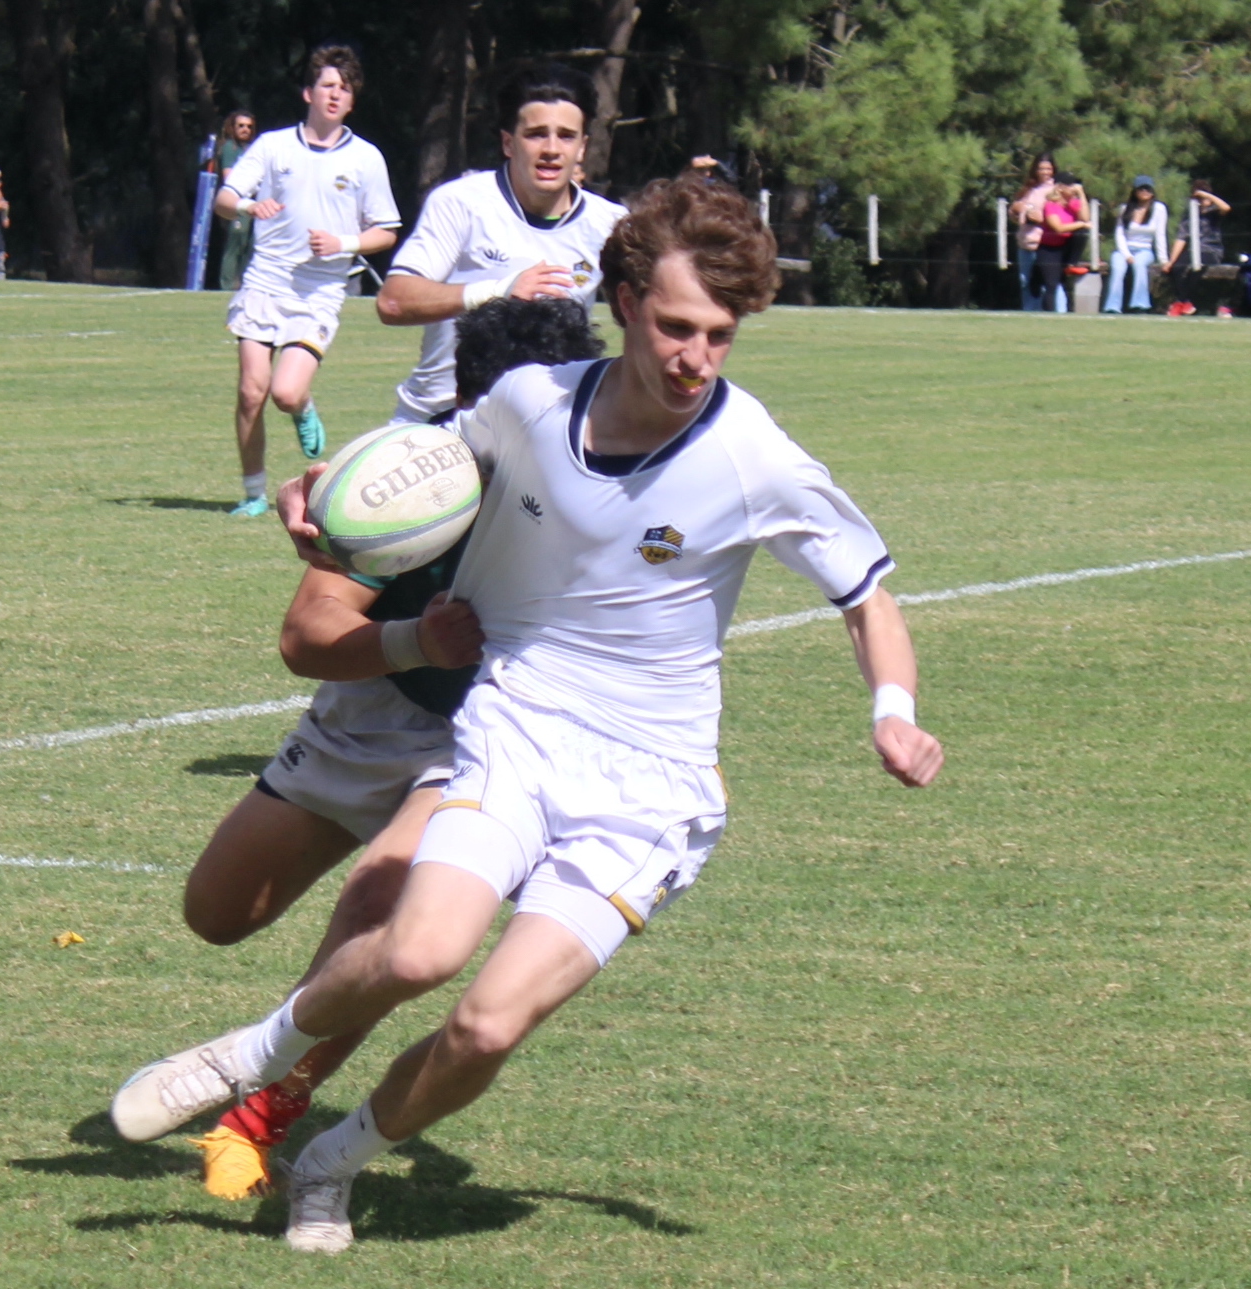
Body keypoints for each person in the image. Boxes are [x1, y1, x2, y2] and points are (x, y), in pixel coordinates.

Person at [109, 175, 944, 1255]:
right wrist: (309, 486)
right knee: (417, 951)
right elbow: (403, 476)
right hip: (517, 727)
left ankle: (330, 1162)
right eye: (678, 326)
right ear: (629, 300)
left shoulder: (756, 457)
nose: (697, 357)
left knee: (486, 1022)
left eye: (721, 336)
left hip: (652, 789)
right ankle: (248, 1058)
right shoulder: (531, 401)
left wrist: (893, 708)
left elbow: (867, 598)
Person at [153, 299, 608, 1202]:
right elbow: (307, 634)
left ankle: (260, 1111)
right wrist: (415, 642)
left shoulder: (611, 474)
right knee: (217, 910)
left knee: (382, 910)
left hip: (494, 731)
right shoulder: (412, 467)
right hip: (376, 705)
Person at [376, 62, 627, 427]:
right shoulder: (462, 203)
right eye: (537, 134)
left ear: (583, 147)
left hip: (547, 430)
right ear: (508, 142)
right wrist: (499, 291)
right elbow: (394, 301)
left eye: (566, 136)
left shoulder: (609, 224)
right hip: (440, 420)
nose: (552, 149)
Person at [214, 46, 401, 515]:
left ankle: (302, 407)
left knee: (285, 392)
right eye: (328, 85)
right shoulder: (274, 146)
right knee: (250, 391)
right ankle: (254, 493)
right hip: (264, 281)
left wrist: (343, 243)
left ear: (352, 102)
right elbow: (225, 196)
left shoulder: (365, 158)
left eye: (345, 88)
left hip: (318, 292)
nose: (336, 94)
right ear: (308, 93)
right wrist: (247, 206)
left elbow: (386, 230)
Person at [1164, 178, 1231, 316]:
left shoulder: (1214, 212)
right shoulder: (1189, 215)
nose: (1202, 200)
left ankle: (1180, 301)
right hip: (1194, 250)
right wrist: (1171, 261)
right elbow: (1181, 239)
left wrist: (1207, 196)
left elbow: (1226, 208)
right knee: (1177, 268)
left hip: (1212, 251)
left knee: (1197, 268)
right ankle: (1185, 303)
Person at [1104, 176, 1168, 314]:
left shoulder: (1159, 209)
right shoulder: (1124, 209)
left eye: (1148, 188)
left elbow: (1160, 235)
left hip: (1144, 250)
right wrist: (1126, 255)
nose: (1145, 191)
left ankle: (1140, 304)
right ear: (1135, 191)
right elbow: (1119, 234)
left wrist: (1163, 260)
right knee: (1117, 269)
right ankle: (1112, 307)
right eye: (1141, 188)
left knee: (1140, 265)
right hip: (1124, 249)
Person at [213, 111, 260, 292]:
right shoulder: (229, 148)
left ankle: (244, 285)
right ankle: (227, 286)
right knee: (235, 243)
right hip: (237, 204)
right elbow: (229, 177)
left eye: (249, 127)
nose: (245, 130)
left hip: (254, 204)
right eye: (241, 126)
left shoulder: (252, 149)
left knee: (250, 245)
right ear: (232, 127)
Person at [1010, 156, 1059, 311]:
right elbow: (1014, 212)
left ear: (1053, 170)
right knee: (1025, 282)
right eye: (1041, 168)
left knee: (1046, 284)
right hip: (1025, 243)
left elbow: (1059, 215)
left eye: (1048, 168)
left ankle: (1050, 314)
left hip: (1045, 244)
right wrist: (1018, 210)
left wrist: (1036, 215)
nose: (1045, 172)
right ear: (1035, 170)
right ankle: (1029, 313)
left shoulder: (1056, 190)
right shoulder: (1028, 189)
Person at [1034, 180, 1087, 314]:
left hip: (1066, 248)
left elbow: (1086, 218)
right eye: (1071, 185)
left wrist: (1081, 194)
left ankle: (1071, 264)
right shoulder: (1050, 205)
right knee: (1051, 285)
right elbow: (1058, 228)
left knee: (1067, 285)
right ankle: (1049, 314)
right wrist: (1080, 224)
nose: (1074, 187)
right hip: (1049, 248)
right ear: (1061, 188)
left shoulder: (1073, 204)